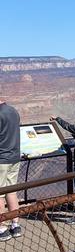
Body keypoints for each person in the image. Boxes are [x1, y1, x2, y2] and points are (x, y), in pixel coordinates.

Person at [0, 98, 22, 241]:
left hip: (1, 158)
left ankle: (1, 227)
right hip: (14, 157)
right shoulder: (13, 111)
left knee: (0, 194)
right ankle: (15, 225)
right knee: (11, 191)